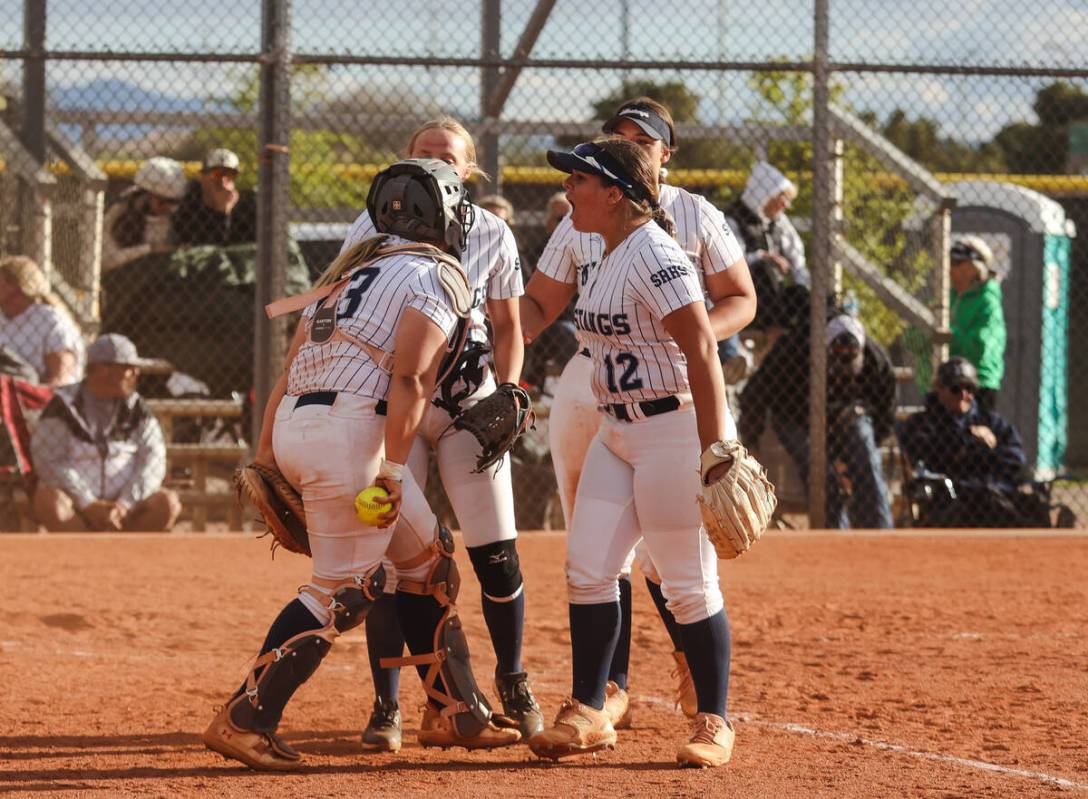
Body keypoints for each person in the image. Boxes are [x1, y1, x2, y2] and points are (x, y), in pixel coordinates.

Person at [201, 159, 520, 771]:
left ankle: (456, 713)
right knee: (343, 590)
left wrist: (269, 453)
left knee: (429, 561)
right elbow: (410, 375)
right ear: (447, 216)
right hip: (351, 437)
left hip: (305, 424)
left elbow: (291, 366)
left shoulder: (350, 270)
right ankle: (247, 718)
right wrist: (395, 470)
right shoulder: (440, 273)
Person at [519, 98, 754, 731]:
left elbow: (703, 349)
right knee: (589, 568)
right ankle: (593, 707)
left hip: (670, 430)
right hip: (615, 426)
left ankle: (713, 720)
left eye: (579, 179)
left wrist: (715, 450)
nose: (567, 190)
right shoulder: (594, 241)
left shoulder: (657, 252)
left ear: (618, 192)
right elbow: (538, 307)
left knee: (685, 581)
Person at [337, 117, 540, 748]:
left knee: (496, 556)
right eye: (424, 155)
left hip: (464, 402)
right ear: (404, 160)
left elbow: (509, 326)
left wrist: (509, 389)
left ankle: (511, 681)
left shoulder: (492, 233)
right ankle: (388, 704)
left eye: (448, 158)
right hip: (395, 406)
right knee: (396, 563)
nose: (436, 165)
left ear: (471, 171)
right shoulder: (372, 225)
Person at [738, 305, 896, 529]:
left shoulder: (874, 358)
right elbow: (754, 394)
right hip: (795, 417)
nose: (843, 368)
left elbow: (885, 408)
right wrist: (752, 441)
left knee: (866, 460)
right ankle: (833, 538)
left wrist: (871, 444)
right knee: (823, 474)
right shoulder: (793, 351)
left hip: (845, 412)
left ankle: (878, 535)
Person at [30, 334, 180, 532]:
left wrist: (125, 504)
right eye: (127, 367)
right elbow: (49, 461)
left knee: (168, 503)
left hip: (127, 510)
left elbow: (153, 460)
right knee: (48, 501)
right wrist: (87, 503)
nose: (135, 372)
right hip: (78, 510)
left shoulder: (137, 409)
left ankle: (126, 552)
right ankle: (83, 553)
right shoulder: (63, 406)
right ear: (102, 370)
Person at [899, 357, 1055, 527]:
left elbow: (1015, 458)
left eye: (970, 388)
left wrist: (992, 446)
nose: (964, 395)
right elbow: (929, 456)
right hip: (951, 496)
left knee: (1031, 503)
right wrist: (966, 438)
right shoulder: (922, 423)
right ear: (939, 389)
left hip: (995, 489)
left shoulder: (990, 421)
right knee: (981, 503)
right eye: (956, 389)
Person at [723, 161, 810, 331]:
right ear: (765, 196)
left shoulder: (778, 221)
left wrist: (802, 283)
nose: (786, 205)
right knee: (764, 269)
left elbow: (797, 257)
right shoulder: (734, 220)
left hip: (778, 295)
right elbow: (731, 262)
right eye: (781, 198)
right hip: (750, 293)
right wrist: (763, 256)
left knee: (802, 294)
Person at [0, 255, 84, 386]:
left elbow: (60, 378)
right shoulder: (3, 318)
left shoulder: (50, 320)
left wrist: (35, 399)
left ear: (17, 286)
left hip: (38, 399)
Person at [948, 236, 1005, 415]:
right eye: (951, 264)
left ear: (975, 270)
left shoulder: (987, 301)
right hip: (946, 381)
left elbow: (980, 347)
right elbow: (914, 336)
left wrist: (948, 336)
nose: (952, 270)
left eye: (960, 266)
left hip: (978, 383)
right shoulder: (946, 295)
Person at [101, 156, 188, 272]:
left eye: (174, 203)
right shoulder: (120, 211)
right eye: (162, 202)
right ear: (147, 194)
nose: (170, 209)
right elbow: (105, 261)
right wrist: (150, 249)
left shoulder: (177, 217)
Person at [173, 148, 258, 246]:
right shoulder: (189, 207)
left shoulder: (246, 208)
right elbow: (210, 248)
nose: (223, 180)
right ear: (203, 177)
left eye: (230, 174)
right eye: (217, 174)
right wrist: (221, 212)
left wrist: (226, 211)